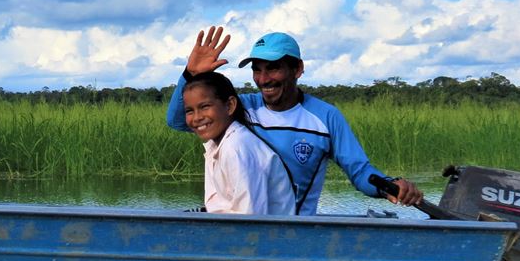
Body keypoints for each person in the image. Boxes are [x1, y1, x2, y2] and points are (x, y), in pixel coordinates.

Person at [166, 27, 423, 215]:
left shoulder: (325, 117)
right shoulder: (242, 107)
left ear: (297, 69)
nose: (264, 79)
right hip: (250, 226)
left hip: (294, 231)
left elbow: (360, 171)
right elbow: (179, 120)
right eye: (257, 69)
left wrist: (388, 185)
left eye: (274, 68)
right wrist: (190, 76)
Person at [183, 71, 295, 215]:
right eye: (189, 111)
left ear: (229, 105)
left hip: (270, 235)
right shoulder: (217, 145)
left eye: (205, 106)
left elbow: (250, 218)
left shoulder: (236, 146)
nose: (197, 117)